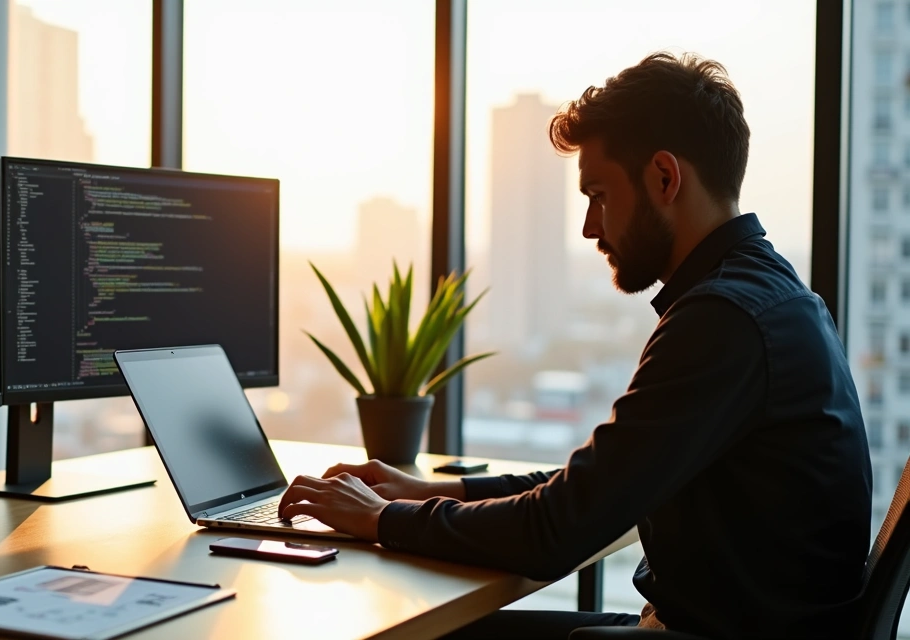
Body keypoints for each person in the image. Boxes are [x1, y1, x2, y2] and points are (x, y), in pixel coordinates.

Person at [277, 52, 873, 639]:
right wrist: (432, 491)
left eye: (599, 195)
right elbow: (598, 486)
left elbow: (556, 530)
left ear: (665, 178)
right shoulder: (768, 293)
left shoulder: (724, 319)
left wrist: (382, 518)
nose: (591, 227)